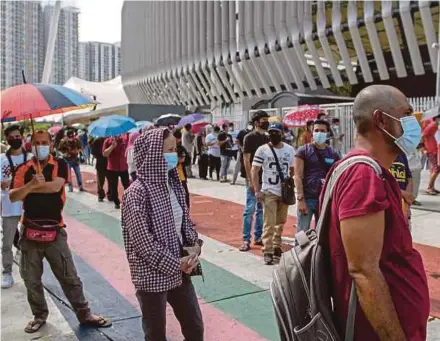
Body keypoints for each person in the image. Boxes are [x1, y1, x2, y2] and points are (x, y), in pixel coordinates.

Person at [325, 85, 429, 340]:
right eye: (406, 114)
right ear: (381, 120)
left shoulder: (374, 172)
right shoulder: (362, 175)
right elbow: (363, 271)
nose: (413, 123)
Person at [9, 130, 112, 334]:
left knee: (69, 276)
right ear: (31, 146)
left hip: (55, 232)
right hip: (29, 232)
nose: (41, 146)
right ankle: (39, 316)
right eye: (37, 143)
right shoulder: (24, 168)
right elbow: (13, 196)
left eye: (44, 142)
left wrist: (30, 189)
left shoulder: (61, 165)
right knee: (31, 279)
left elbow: (55, 187)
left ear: (51, 144)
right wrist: (31, 184)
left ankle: (84, 314)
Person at [121, 128, 204, 341]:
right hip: (152, 274)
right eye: (168, 150)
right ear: (152, 154)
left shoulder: (174, 184)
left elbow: (184, 222)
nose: (173, 155)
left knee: (195, 328)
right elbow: (143, 244)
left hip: (181, 268)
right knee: (156, 334)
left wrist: (194, 245)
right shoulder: (137, 193)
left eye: (174, 149)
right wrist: (177, 263)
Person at [251, 122, 295, 265]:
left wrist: (289, 183)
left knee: (280, 221)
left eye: (276, 132)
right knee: (269, 222)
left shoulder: (289, 150)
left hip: (283, 191)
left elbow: (292, 169)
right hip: (269, 190)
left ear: (282, 133)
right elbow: (254, 170)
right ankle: (268, 250)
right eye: (271, 132)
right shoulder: (262, 150)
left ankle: (277, 245)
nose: (273, 135)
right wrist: (257, 190)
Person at [294, 119, 340, 232]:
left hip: (325, 201)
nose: (319, 133)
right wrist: (300, 199)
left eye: (322, 131)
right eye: (316, 130)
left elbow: (337, 176)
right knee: (302, 234)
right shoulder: (303, 151)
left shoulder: (333, 154)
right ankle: (300, 251)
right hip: (307, 199)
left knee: (323, 234)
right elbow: (297, 176)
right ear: (312, 132)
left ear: (327, 133)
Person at [1, 125, 31, 288]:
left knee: (30, 244)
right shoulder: (1, 160)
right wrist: (2, 183)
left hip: (29, 206)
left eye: (18, 136)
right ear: (7, 139)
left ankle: (29, 274)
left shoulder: (31, 158)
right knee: (6, 243)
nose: (15, 139)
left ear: (22, 136)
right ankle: (6, 272)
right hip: (9, 206)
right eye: (12, 137)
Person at [239, 111, 270, 252]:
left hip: (265, 178)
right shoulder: (249, 138)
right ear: (256, 122)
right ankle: (246, 239)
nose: (266, 122)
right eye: (264, 120)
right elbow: (246, 159)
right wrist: (250, 179)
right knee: (250, 209)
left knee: (261, 209)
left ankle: (258, 237)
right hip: (253, 177)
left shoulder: (268, 137)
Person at [103, 134, 130, 209]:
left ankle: (127, 201)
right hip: (112, 168)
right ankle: (116, 202)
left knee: (127, 186)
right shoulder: (107, 141)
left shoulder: (124, 140)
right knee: (113, 188)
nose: (118, 134)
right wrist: (112, 146)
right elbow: (104, 154)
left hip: (124, 167)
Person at [389, 153, 414, 230]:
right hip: (389, 207)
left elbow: (409, 178)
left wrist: (407, 199)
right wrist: (402, 193)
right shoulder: (380, 155)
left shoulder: (401, 155)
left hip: (403, 206)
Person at [422, 113, 440, 195]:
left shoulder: (435, 126)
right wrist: (424, 148)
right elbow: (423, 135)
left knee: (434, 169)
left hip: (434, 149)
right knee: (436, 169)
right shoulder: (432, 125)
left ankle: (431, 187)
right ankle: (429, 187)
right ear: (436, 118)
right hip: (431, 150)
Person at [91, 137, 111, 202]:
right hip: (100, 164)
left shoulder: (110, 140)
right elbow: (93, 152)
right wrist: (100, 156)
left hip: (109, 163)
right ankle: (100, 195)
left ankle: (110, 195)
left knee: (111, 181)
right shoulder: (97, 141)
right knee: (100, 181)